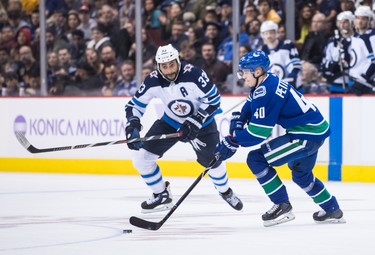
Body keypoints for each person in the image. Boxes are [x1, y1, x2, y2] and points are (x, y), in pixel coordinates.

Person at [215, 50, 346, 227]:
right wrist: (241, 120)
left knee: (256, 159)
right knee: (302, 176)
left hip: (304, 135)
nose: (242, 76)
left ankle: (282, 205)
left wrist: (233, 141)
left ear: (258, 71)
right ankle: (332, 209)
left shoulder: (266, 90)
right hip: (313, 131)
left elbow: (258, 133)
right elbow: (250, 104)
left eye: (245, 71)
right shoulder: (266, 82)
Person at [124, 44, 243, 214]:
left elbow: (214, 100)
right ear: (158, 66)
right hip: (171, 121)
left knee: (214, 162)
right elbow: (134, 106)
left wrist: (196, 120)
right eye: (164, 66)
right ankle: (161, 194)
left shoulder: (194, 74)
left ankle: (225, 191)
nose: (169, 69)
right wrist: (132, 124)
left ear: (178, 61)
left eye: (172, 64)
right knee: (141, 158)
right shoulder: (153, 80)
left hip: (203, 123)